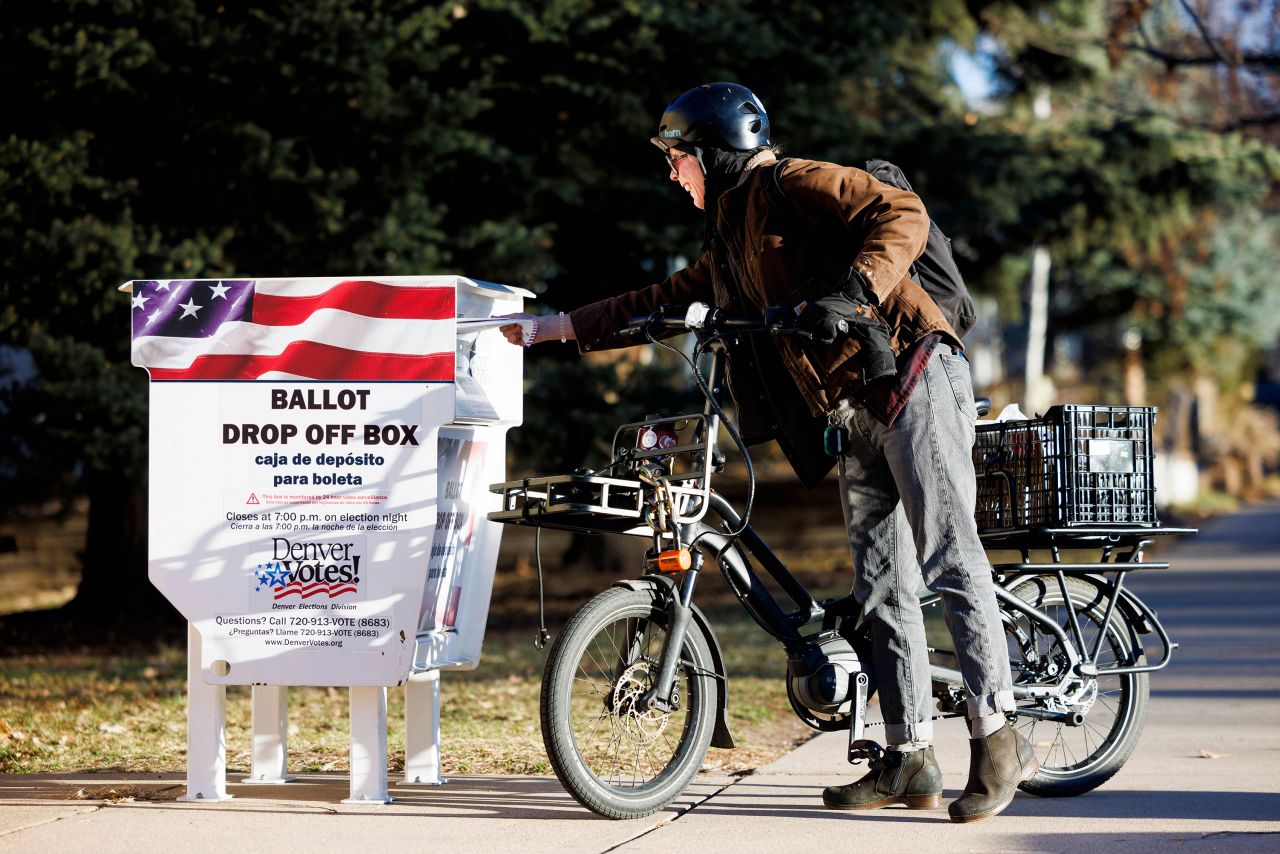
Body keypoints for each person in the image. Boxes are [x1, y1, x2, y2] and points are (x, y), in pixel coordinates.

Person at [500, 82, 1037, 823]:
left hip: (912, 374)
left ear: (716, 154)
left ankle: (999, 734)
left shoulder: (793, 183)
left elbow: (899, 212)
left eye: (679, 157)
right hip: (853, 409)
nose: (672, 172)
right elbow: (662, 299)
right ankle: (910, 755)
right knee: (881, 583)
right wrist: (555, 328)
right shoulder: (729, 236)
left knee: (949, 556)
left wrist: (852, 293)